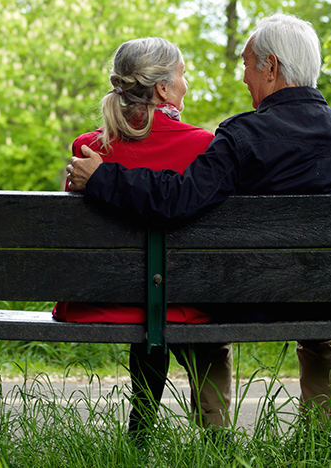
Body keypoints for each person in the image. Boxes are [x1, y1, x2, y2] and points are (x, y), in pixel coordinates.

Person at [65, 14, 331, 421]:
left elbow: (178, 199)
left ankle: (216, 444)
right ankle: (319, 438)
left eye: (248, 64)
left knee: (209, 297)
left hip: (252, 300)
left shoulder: (242, 135)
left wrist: (102, 178)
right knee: (321, 298)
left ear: (271, 67)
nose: (243, 76)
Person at [52, 37, 233, 436]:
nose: (187, 84)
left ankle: (141, 431)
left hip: (99, 300)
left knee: (147, 300)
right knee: (176, 310)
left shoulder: (89, 150)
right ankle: (215, 439)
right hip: (183, 302)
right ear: (163, 88)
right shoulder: (203, 147)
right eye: (182, 75)